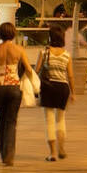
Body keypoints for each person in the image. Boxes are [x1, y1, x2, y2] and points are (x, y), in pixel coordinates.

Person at [0, 22, 29, 166]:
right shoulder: (19, 50)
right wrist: (21, 78)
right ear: (13, 33)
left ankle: (3, 154)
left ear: (0, 34)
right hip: (14, 86)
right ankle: (9, 155)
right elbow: (28, 69)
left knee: (2, 120)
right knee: (11, 121)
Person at [37, 24, 74, 161]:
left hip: (48, 87)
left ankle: (52, 153)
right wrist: (73, 92)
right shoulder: (66, 55)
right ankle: (62, 148)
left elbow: (37, 71)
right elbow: (70, 76)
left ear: (50, 37)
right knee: (61, 119)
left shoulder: (44, 53)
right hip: (62, 88)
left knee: (49, 120)